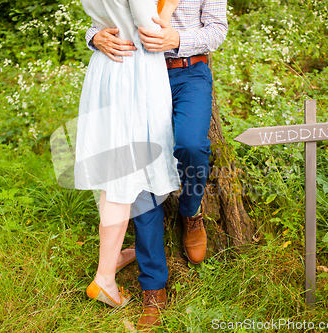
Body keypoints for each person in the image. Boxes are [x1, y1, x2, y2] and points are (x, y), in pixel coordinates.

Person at [86, 0, 228, 329]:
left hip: (188, 73)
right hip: (137, 75)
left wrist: (177, 40)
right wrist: (95, 37)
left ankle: (191, 212)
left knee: (192, 145)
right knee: (140, 173)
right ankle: (153, 285)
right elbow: (106, 14)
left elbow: (218, 30)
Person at [76, 0, 181, 309]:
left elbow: (104, 16)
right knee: (123, 177)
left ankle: (111, 258)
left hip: (108, 69)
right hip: (134, 73)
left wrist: (96, 35)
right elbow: (151, 31)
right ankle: (104, 279)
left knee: (115, 173)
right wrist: (170, 5)